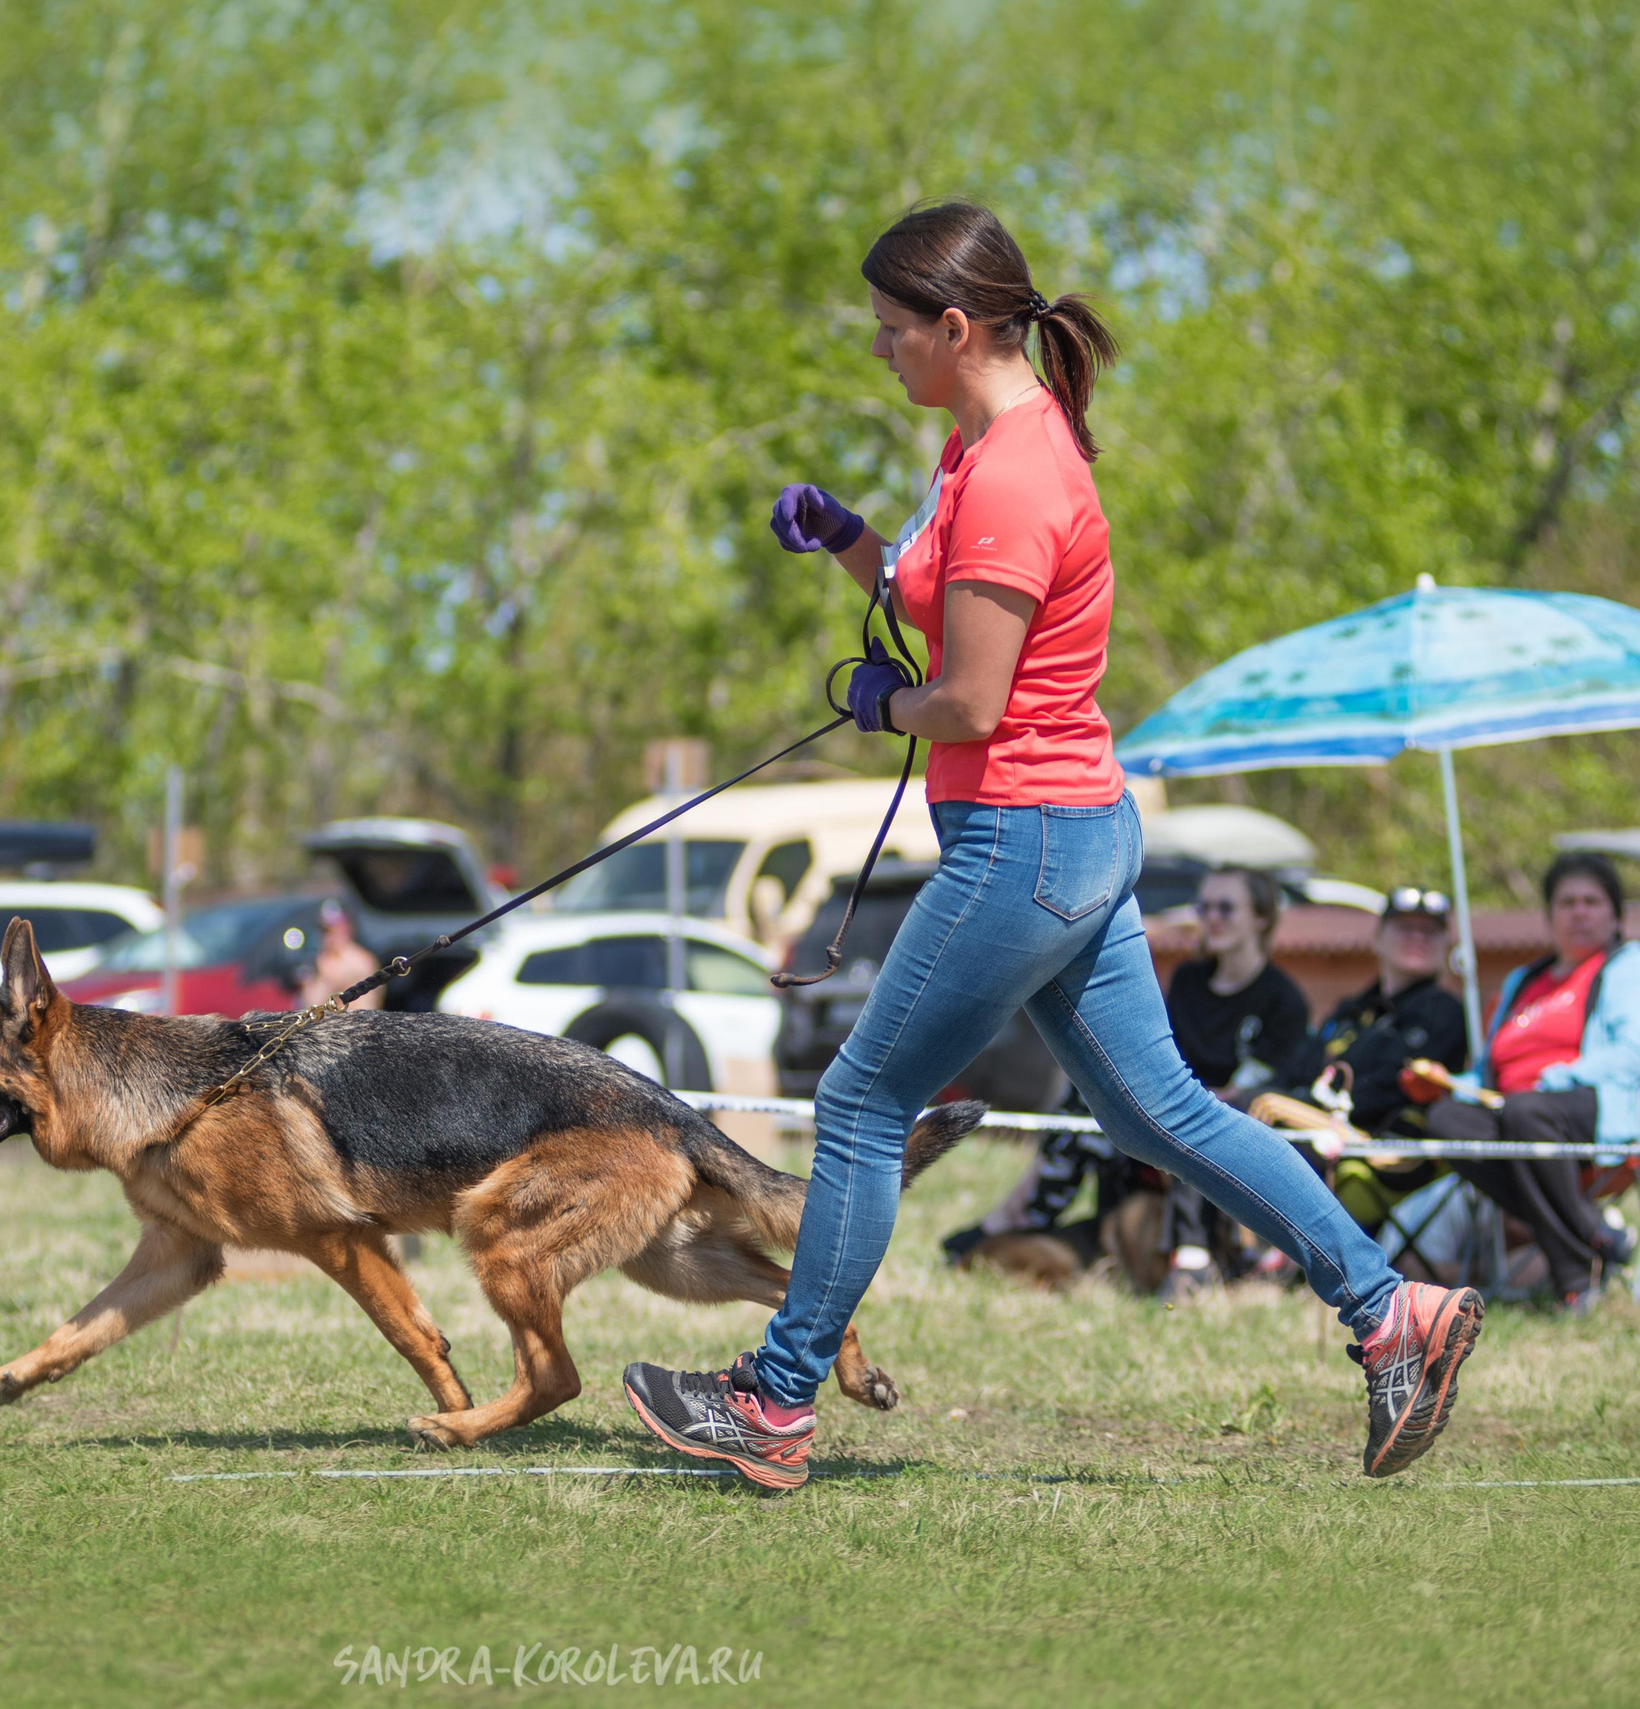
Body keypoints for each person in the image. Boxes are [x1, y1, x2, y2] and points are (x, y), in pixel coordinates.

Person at [618, 203, 1482, 1490]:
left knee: (858, 1103)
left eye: (891, 327)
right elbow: (942, 601)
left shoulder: (1018, 475)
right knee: (1153, 1107)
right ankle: (1391, 1309)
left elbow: (969, 700)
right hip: (1061, 830)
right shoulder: (981, 447)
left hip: (1023, 839)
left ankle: (774, 1399)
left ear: (953, 326)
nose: (877, 347)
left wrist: (886, 709)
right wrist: (849, 539)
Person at [939, 865, 1310, 1296]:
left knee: (1166, 1113)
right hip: (1163, 1108)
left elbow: (1256, 1089)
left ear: (1261, 918)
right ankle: (1025, 1212)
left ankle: (1034, 1220)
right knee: (1086, 1092)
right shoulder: (1189, 980)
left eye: (1225, 908)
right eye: (1203, 906)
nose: (1211, 917)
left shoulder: (1284, 999)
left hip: (1221, 1125)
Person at [1415, 852, 1640, 1314]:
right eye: (1567, 902)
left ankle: (1574, 1278)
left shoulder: (1631, 966)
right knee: (1446, 1119)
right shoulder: (1524, 980)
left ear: (1615, 915)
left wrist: (1556, 1079)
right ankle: (1591, 1228)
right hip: (1513, 1111)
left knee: (1526, 1111)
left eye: (1592, 901)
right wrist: (1448, 1082)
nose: (1579, 912)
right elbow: (1489, 1070)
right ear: (1549, 916)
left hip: (1597, 1106)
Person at [1250, 886, 1470, 1231]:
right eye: (1405, 928)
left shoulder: (1446, 1013)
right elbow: (1298, 1067)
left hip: (1383, 1146)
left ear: (1446, 943)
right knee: (1230, 1111)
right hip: (1319, 1124)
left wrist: (1305, 1103)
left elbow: (1390, 1090)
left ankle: (1258, 1250)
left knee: (1264, 1110)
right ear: (1378, 938)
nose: (1417, 938)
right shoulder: (1352, 1010)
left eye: (1429, 931)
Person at [295, 900, 383, 1012]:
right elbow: (308, 1005)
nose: (326, 936)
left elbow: (368, 1006)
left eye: (329, 929)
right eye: (323, 930)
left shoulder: (360, 961)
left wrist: (329, 979)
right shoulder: (321, 959)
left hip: (353, 1019)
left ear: (346, 927)